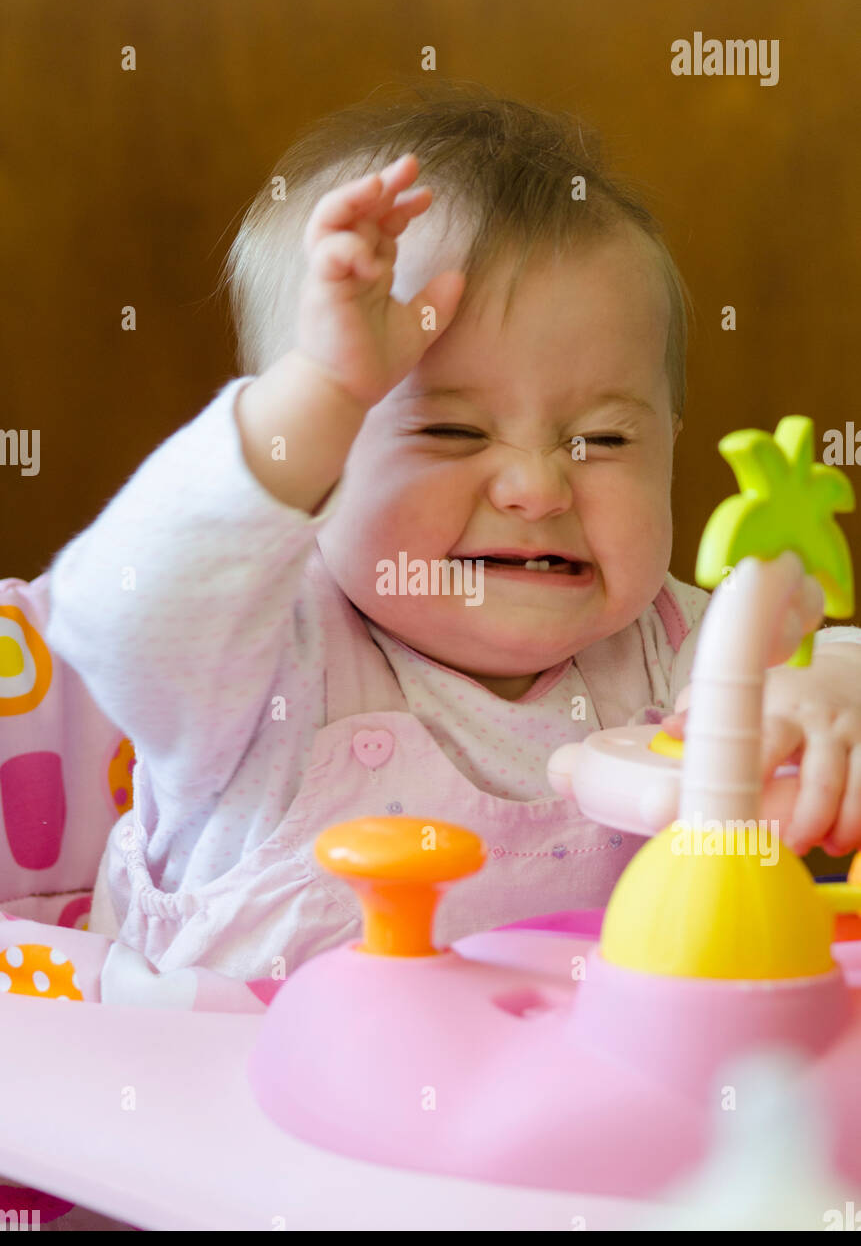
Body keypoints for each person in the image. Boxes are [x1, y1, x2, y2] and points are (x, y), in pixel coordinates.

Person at [45, 85, 861, 980]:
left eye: (602, 439)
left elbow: (793, 672)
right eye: (451, 431)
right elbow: (113, 618)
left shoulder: (679, 651)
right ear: (318, 460)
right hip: (236, 1103)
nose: (535, 486)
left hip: (583, 1104)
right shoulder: (262, 652)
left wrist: (827, 694)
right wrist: (316, 396)